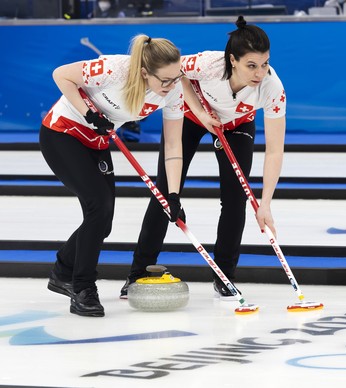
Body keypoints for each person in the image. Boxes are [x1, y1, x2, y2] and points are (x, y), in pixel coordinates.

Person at [120, 16, 287, 300]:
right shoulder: (209, 64)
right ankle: (138, 273)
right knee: (165, 193)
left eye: (265, 64)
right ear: (232, 60)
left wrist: (266, 204)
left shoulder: (272, 89)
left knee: (236, 199)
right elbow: (177, 74)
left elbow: (274, 150)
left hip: (236, 126)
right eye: (251, 65)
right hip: (189, 116)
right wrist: (199, 112)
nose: (260, 73)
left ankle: (225, 276)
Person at [40, 34, 185, 317]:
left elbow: (173, 144)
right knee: (99, 206)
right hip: (63, 133)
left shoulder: (174, 92)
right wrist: (88, 114)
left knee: (102, 223)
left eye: (176, 77)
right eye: (165, 80)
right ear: (144, 72)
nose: (172, 86)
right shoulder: (114, 69)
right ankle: (82, 288)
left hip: (96, 142)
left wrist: (174, 194)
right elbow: (61, 75)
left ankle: (63, 270)